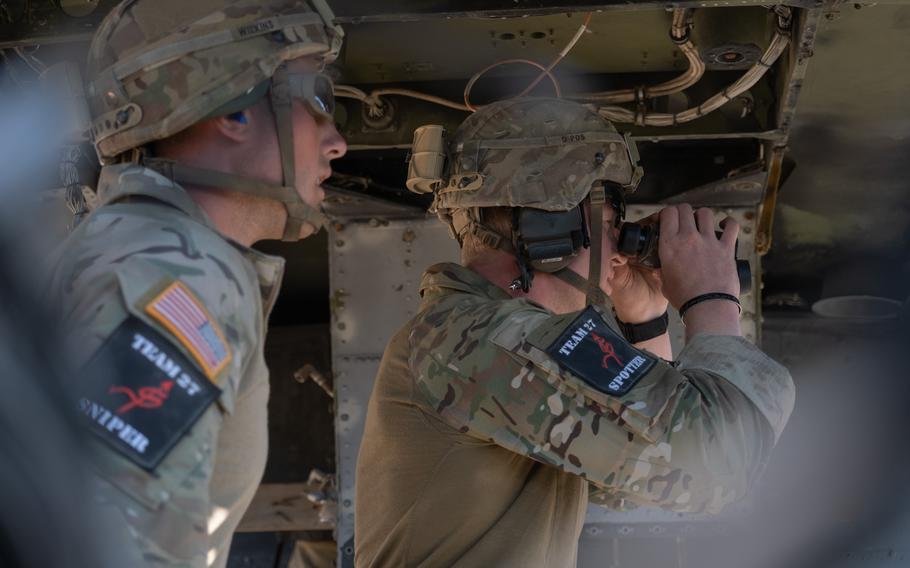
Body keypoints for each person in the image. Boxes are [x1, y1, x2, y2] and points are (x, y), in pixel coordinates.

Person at [355, 98, 795, 568]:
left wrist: (646, 322)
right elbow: (713, 466)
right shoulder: (478, 339)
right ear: (548, 231)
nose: (620, 252)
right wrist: (712, 302)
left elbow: (633, 479)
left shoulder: (486, 340)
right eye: (609, 225)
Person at [45, 1, 347, 566]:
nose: (337, 143)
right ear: (232, 110)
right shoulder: (171, 277)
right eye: (318, 100)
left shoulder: (144, 253)